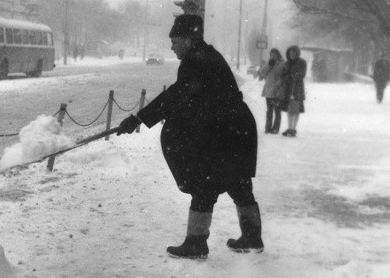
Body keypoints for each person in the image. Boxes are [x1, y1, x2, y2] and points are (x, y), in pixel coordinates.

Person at [117, 14, 263, 259]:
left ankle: (196, 243)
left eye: (174, 41)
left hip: (223, 130)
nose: (171, 46)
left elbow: (178, 94)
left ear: (187, 39)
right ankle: (251, 237)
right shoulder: (207, 55)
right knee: (238, 183)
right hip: (236, 127)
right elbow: (191, 96)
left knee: (205, 184)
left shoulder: (195, 60)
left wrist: (139, 119)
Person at [281, 45, 307, 137]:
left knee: (295, 110)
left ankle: (293, 128)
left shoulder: (302, 62)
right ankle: (289, 127)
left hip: (297, 88)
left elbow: (301, 74)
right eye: (290, 53)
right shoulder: (287, 63)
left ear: (297, 53)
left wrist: (292, 76)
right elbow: (283, 74)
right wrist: (286, 76)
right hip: (288, 88)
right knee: (289, 109)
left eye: (293, 53)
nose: (291, 54)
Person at [258, 48, 285, 134]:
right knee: (269, 110)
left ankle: (275, 129)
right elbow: (262, 73)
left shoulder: (282, 63)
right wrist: (269, 65)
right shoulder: (269, 62)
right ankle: (267, 128)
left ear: (278, 54)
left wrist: (279, 84)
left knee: (277, 111)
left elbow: (284, 76)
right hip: (269, 90)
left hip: (277, 90)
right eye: (271, 55)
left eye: (274, 55)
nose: (273, 56)